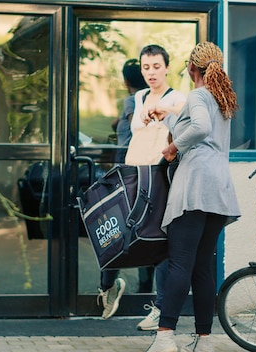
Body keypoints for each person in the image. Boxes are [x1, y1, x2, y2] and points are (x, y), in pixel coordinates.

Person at [144, 41, 241, 352]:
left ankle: (164, 337)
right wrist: (169, 115)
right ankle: (204, 340)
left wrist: (174, 147)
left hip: (196, 185)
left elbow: (198, 127)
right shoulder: (221, 99)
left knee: (180, 263)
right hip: (218, 189)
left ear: (191, 68)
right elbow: (197, 125)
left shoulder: (199, 95)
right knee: (201, 266)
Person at [131, 44, 187, 331]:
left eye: (156, 66)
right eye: (145, 67)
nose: (150, 72)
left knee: (162, 240)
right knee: (138, 235)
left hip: (163, 177)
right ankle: (123, 287)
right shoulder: (139, 96)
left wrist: (166, 110)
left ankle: (161, 307)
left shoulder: (177, 98)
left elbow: (188, 122)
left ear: (166, 67)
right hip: (138, 177)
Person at [97, 58, 148, 320]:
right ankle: (145, 289)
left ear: (126, 80)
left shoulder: (133, 100)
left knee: (114, 228)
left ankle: (108, 286)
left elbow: (134, 122)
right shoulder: (149, 98)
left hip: (125, 173)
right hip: (141, 173)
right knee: (141, 228)